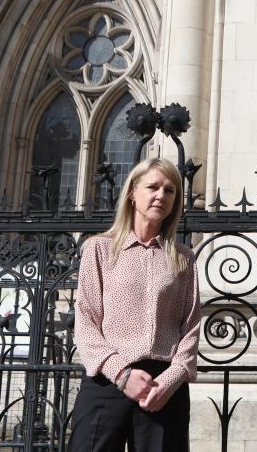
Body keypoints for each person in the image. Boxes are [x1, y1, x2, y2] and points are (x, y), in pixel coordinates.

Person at [69, 158, 201, 452]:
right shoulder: (99, 249)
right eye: (153, 187)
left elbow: (191, 327)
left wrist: (171, 379)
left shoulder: (183, 259)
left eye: (170, 191)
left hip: (163, 387)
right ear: (132, 192)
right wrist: (121, 373)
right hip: (108, 380)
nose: (161, 196)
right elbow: (86, 320)